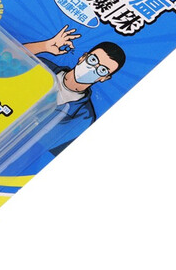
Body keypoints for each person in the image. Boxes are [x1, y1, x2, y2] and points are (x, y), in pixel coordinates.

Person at [10, 26, 126, 172]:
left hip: (6, 153)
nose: (92, 68)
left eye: (102, 70)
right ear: (83, 57)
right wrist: (45, 46)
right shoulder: (44, 66)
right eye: (92, 60)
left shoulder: (84, 116)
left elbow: (41, 150)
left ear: (104, 78)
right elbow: (5, 57)